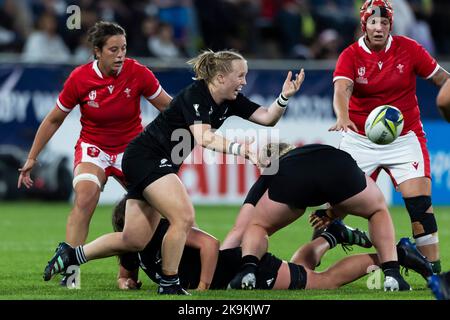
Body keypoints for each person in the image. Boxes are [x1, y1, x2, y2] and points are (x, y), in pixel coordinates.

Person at [42, 49, 305, 295]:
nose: (244, 82)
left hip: (150, 161)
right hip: (147, 157)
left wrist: (284, 98)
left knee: (134, 239)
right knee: (183, 217)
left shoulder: (231, 100)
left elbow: (268, 118)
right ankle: (169, 283)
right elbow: (204, 138)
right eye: (241, 75)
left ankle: (70, 254)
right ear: (221, 77)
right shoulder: (197, 95)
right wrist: (244, 150)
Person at [17, 21, 172, 280]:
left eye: (123, 48)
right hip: (94, 148)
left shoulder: (138, 73)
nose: (121, 54)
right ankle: (71, 273)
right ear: (97, 52)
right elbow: (54, 119)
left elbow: (168, 107)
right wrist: (32, 157)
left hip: (132, 150)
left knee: (157, 206)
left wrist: (196, 124)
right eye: (113, 49)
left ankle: (133, 273)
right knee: (86, 197)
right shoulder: (80, 78)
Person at [329, 0, 450, 274]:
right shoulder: (350, 55)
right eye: (373, 22)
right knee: (334, 208)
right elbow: (341, 90)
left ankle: (432, 271)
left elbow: (441, 78)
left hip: (404, 137)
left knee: (420, 206)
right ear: (364, 25)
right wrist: (343, 116)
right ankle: (314, 258)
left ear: (390, 25)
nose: (379, 27)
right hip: (359, 137)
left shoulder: (408, 48)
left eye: (384, 23)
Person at [110, 197, 432, 291]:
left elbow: (209, 245)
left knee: (324, 282)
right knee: (301, 267)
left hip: (238, 269)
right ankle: (334, 235)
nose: (151, 215)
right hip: (234, 274)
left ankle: (395, 255)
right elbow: (128, 276)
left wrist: (205, 286)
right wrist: (126, 282)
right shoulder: (131, 245)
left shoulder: (168, 229)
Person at [227, 142, 411, 291]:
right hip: (338, 163)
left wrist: (221, 263)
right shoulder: (312, 151)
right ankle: (392, 273)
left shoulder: (275, 168)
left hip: (295, 177)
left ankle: (247, 270)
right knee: (376, 210)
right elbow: (336, 185)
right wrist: (332, 213)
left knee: (258, 226)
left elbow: (241, 228)